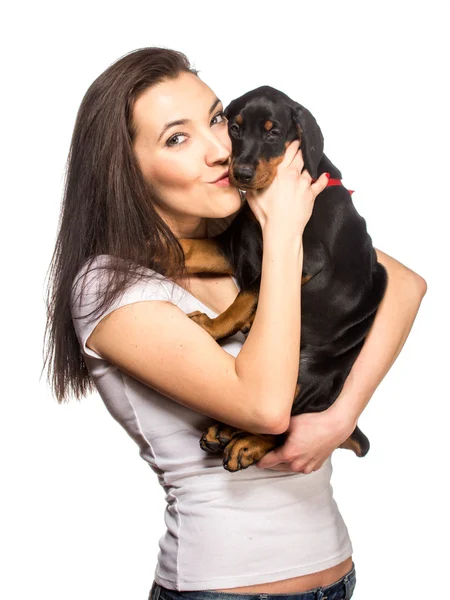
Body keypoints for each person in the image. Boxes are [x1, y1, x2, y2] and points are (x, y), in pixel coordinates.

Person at [43, 47, 427, 600]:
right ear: (125, 167)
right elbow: (265, 406)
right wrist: (283, 234)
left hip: (337, 576)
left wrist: (340, 417)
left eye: (216, 118)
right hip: (220, 589)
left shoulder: (243, 238)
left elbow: (404, 286)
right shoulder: (109, 285)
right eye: (177, 138)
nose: (222, 151)